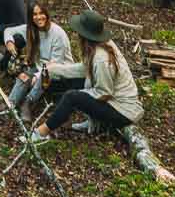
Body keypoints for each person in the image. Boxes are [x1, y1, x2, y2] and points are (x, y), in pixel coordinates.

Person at [25, 9, 143, 143]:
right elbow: (83, 69)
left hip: (123, 112)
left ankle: (41, 133)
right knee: (71, 85)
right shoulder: (98, 46)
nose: (76, 34)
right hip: (114, 101)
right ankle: (94, 122)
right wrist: (56, 70)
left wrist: (79, 96)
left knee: (72, 97)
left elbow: (104, 92)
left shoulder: (101, 58)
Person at [4, 0, 76, 119]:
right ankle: (9, 105)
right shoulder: (31, 29)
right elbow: (8, 31)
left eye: (41, 13)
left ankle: (28, 103)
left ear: (47, 14)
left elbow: (55, 64)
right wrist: (9, 41)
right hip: (40, 68)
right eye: (34, 14)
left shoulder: (58, 34)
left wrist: (37, 76)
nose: (38, 17)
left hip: (60, 73)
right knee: (25, 74)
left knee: (45, 73)